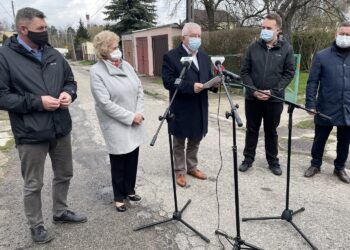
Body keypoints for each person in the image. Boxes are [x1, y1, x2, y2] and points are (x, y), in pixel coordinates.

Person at [0, 7, 87, 244]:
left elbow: (70, 81)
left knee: (65, 173)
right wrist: (37, 102)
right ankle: (36, 225)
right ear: (23, 29)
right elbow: (2, 96)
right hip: (30, 133)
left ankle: (60, 211)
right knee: (33, 183)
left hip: (60, 128)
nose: (45, 32)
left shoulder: (52, 53)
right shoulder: (4, 57)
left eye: (46, 27)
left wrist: (69, 93)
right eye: (41, 29)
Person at [90, 31, 147, 212]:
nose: (118, 50)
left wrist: (139, 112)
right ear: (104, 50)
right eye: (114, 47)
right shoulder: (96, 72)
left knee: (132, 157)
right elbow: (105, 103)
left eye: (118, 46)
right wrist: (130, 117)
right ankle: (118, 196)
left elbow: (139, 89)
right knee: (119, 160)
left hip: (135, 118)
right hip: (116, 123)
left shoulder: (127, 66)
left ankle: (130, 189)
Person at [162, 22, 219, 187]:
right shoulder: (171, 56)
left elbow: (207, 77)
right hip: (181, 106)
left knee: (195, 139)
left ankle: (192, 167)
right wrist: (190, 86)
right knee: (179, 141)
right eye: (194, 36)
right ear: (183, 37)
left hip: (199, 106)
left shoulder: (203, 56)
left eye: (199, 36)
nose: (197, 39)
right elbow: (168, 82)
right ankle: (180, 170)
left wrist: (214, 84)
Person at [239, 13, 295, 176]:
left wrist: (273, 92)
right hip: (253, 98)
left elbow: (289, 73)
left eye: (268, 28)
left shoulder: (286, 49)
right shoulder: (253, 48)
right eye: (263, 27)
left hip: (274, 100)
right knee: (252, 130)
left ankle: (273, 161)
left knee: (271, 131)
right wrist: (253, 90)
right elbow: (245, 71)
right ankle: (248, 159)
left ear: (278, 30)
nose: (264, 30)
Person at [304, 22, 350, 184]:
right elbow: (312, 82)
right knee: (320, 138)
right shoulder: (322, 56)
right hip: (325, 107)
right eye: (342, 33)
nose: (345, 37)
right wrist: (310, 103)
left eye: (348, 34)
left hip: (347, 108)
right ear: (335, 35)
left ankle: (339, 168)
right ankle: (315, 164)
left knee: (344, 141)